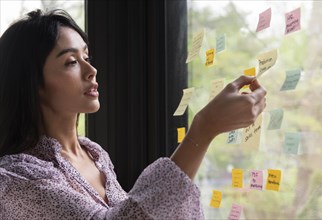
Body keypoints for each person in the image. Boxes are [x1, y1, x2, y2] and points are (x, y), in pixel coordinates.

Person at [0, 9, 266, 220]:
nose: (91, 70)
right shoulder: (15, 178)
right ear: (32, 82)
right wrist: (203, 129)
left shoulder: (95, 155)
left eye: (87, 57)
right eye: (71, 62)